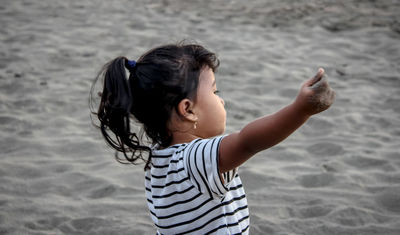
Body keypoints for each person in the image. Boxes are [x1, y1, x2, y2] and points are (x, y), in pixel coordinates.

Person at [90, 42, 335, 234]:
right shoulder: (195, 159)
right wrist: (300, 110)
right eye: (215, 92)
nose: (221, 100)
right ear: (188, 110)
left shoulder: (159, 155)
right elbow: (248, 142)